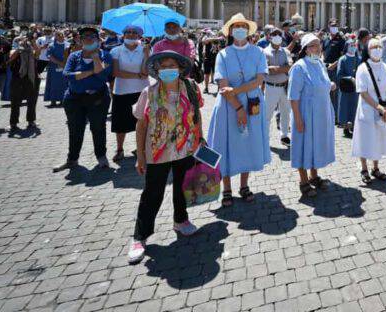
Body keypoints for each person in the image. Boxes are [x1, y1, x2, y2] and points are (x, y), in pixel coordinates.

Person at [127, 51, 204, 264]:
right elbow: (141, 124)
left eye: (172, 65)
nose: (168, 69)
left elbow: (196, 115)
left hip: (185, 147)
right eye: (163, 66)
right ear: (158, 71)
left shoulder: (190, 88)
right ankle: (140, 236)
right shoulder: (148, 92)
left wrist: (200, 139)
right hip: (156, 150)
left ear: (180, 68)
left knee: (182, 187)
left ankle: (181, 220)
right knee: (152, 192)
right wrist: (140, 156)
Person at [207, 14, 270, 206]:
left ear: (248, 30)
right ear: (231, 31)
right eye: (237, 26)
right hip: (228, 105)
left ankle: (244, 185)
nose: (240, 29)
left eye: (244, 26)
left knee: (248, 143)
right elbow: (222, 85)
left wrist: (237, 90)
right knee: (226, 144)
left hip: (253, 104)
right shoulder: (222, 54)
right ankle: (226, 188)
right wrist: (238, 107)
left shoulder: (258, 52)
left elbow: (259, 81)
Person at [53, 27, 113, 172]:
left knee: (98, 128)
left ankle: (101, 157)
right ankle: (72, 159)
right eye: (85, 36)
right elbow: (67, 75)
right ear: (79, 40)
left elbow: (103, 76)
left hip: (98, 98)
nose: (88, 39)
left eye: (92, 36)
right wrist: (92, 71)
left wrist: (96, 60)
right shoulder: (74, 56)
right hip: (74, 99)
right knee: (75, 129)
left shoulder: (105, 55)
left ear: (98, 40)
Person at [288, 33, 336, 197]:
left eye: (319, 44)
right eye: (313, 45)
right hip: (306, 114)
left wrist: (331, 85)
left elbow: (323, 83)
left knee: (315, 144)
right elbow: (293, 96)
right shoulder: (299, 67)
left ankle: (314, 176)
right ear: (306, 49)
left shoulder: (320, 64)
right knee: (303, 145)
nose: (317, 48)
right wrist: (298, 119)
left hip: (321, 113)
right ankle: (303, 181)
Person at [352, 38, 386, 184]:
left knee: (378, 138)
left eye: (379, 46)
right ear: (368, 50)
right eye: (373, 47)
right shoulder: (362, 68)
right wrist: (378, 107)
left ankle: (375, 168)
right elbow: (363, 92)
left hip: (384, 109)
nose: (377, 49)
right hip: (367, 108)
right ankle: (364, 168)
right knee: (365, 138)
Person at [110, 25, 150, 162]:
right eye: (128, 32)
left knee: (143, 121)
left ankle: (141, 148)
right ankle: (120, 149)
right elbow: (116, 72)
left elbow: (145, 73)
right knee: (120, 123)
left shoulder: (145, 50)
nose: (131, 34)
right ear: (123, 34)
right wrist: (138, 75)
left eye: (134, 32)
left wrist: (146, 56)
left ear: (139, 36)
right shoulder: (116, 50)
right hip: (121, 91)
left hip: (142, 91)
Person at [263, 27, 293, 145]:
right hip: (271, 87)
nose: (277, 36)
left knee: (286, 112)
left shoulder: (286, 52)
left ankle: (284, 135)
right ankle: (265, 137)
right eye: (274, 34)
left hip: (285, 86)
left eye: (279, 34)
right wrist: (282, 68)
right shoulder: (264, 52)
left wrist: (276, 69)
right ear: (270, 36)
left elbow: (290, 67)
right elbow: (266, 70)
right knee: (267, 114)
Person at [8, 32, 41, 132]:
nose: (24, 42)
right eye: (19, 41)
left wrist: (33, 42)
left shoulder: (31, 51)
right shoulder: (14, 50)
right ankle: (13, 122)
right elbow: (11, 59)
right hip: (18, 78)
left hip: (31, 77)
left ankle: (31, 120)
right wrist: (19, 48)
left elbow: (38, 53)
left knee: (32, 100)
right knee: (15, 101)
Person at [335, 40, 360, 139]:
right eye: (351, 45)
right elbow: (339, 74)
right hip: (345, 86)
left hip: (356, 87)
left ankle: (354, 126)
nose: (353, 47)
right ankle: (345, 128)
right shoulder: (343, 59)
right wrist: (349, 78)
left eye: (354, 45)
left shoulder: (359, 58)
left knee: (354, 106)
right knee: (345, 107)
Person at [43, 31, 69, 107]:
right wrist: (60, 63)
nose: (61, 36)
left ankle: (62, 100)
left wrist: (65, 64)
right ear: (56, 36)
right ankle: (53, 100)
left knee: (64, 84)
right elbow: (49, 56)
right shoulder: (51, 45)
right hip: (54, 68)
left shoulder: (68, 45)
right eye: (58, 35)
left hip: (65, 67)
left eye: (62, 35)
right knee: (53, 84)